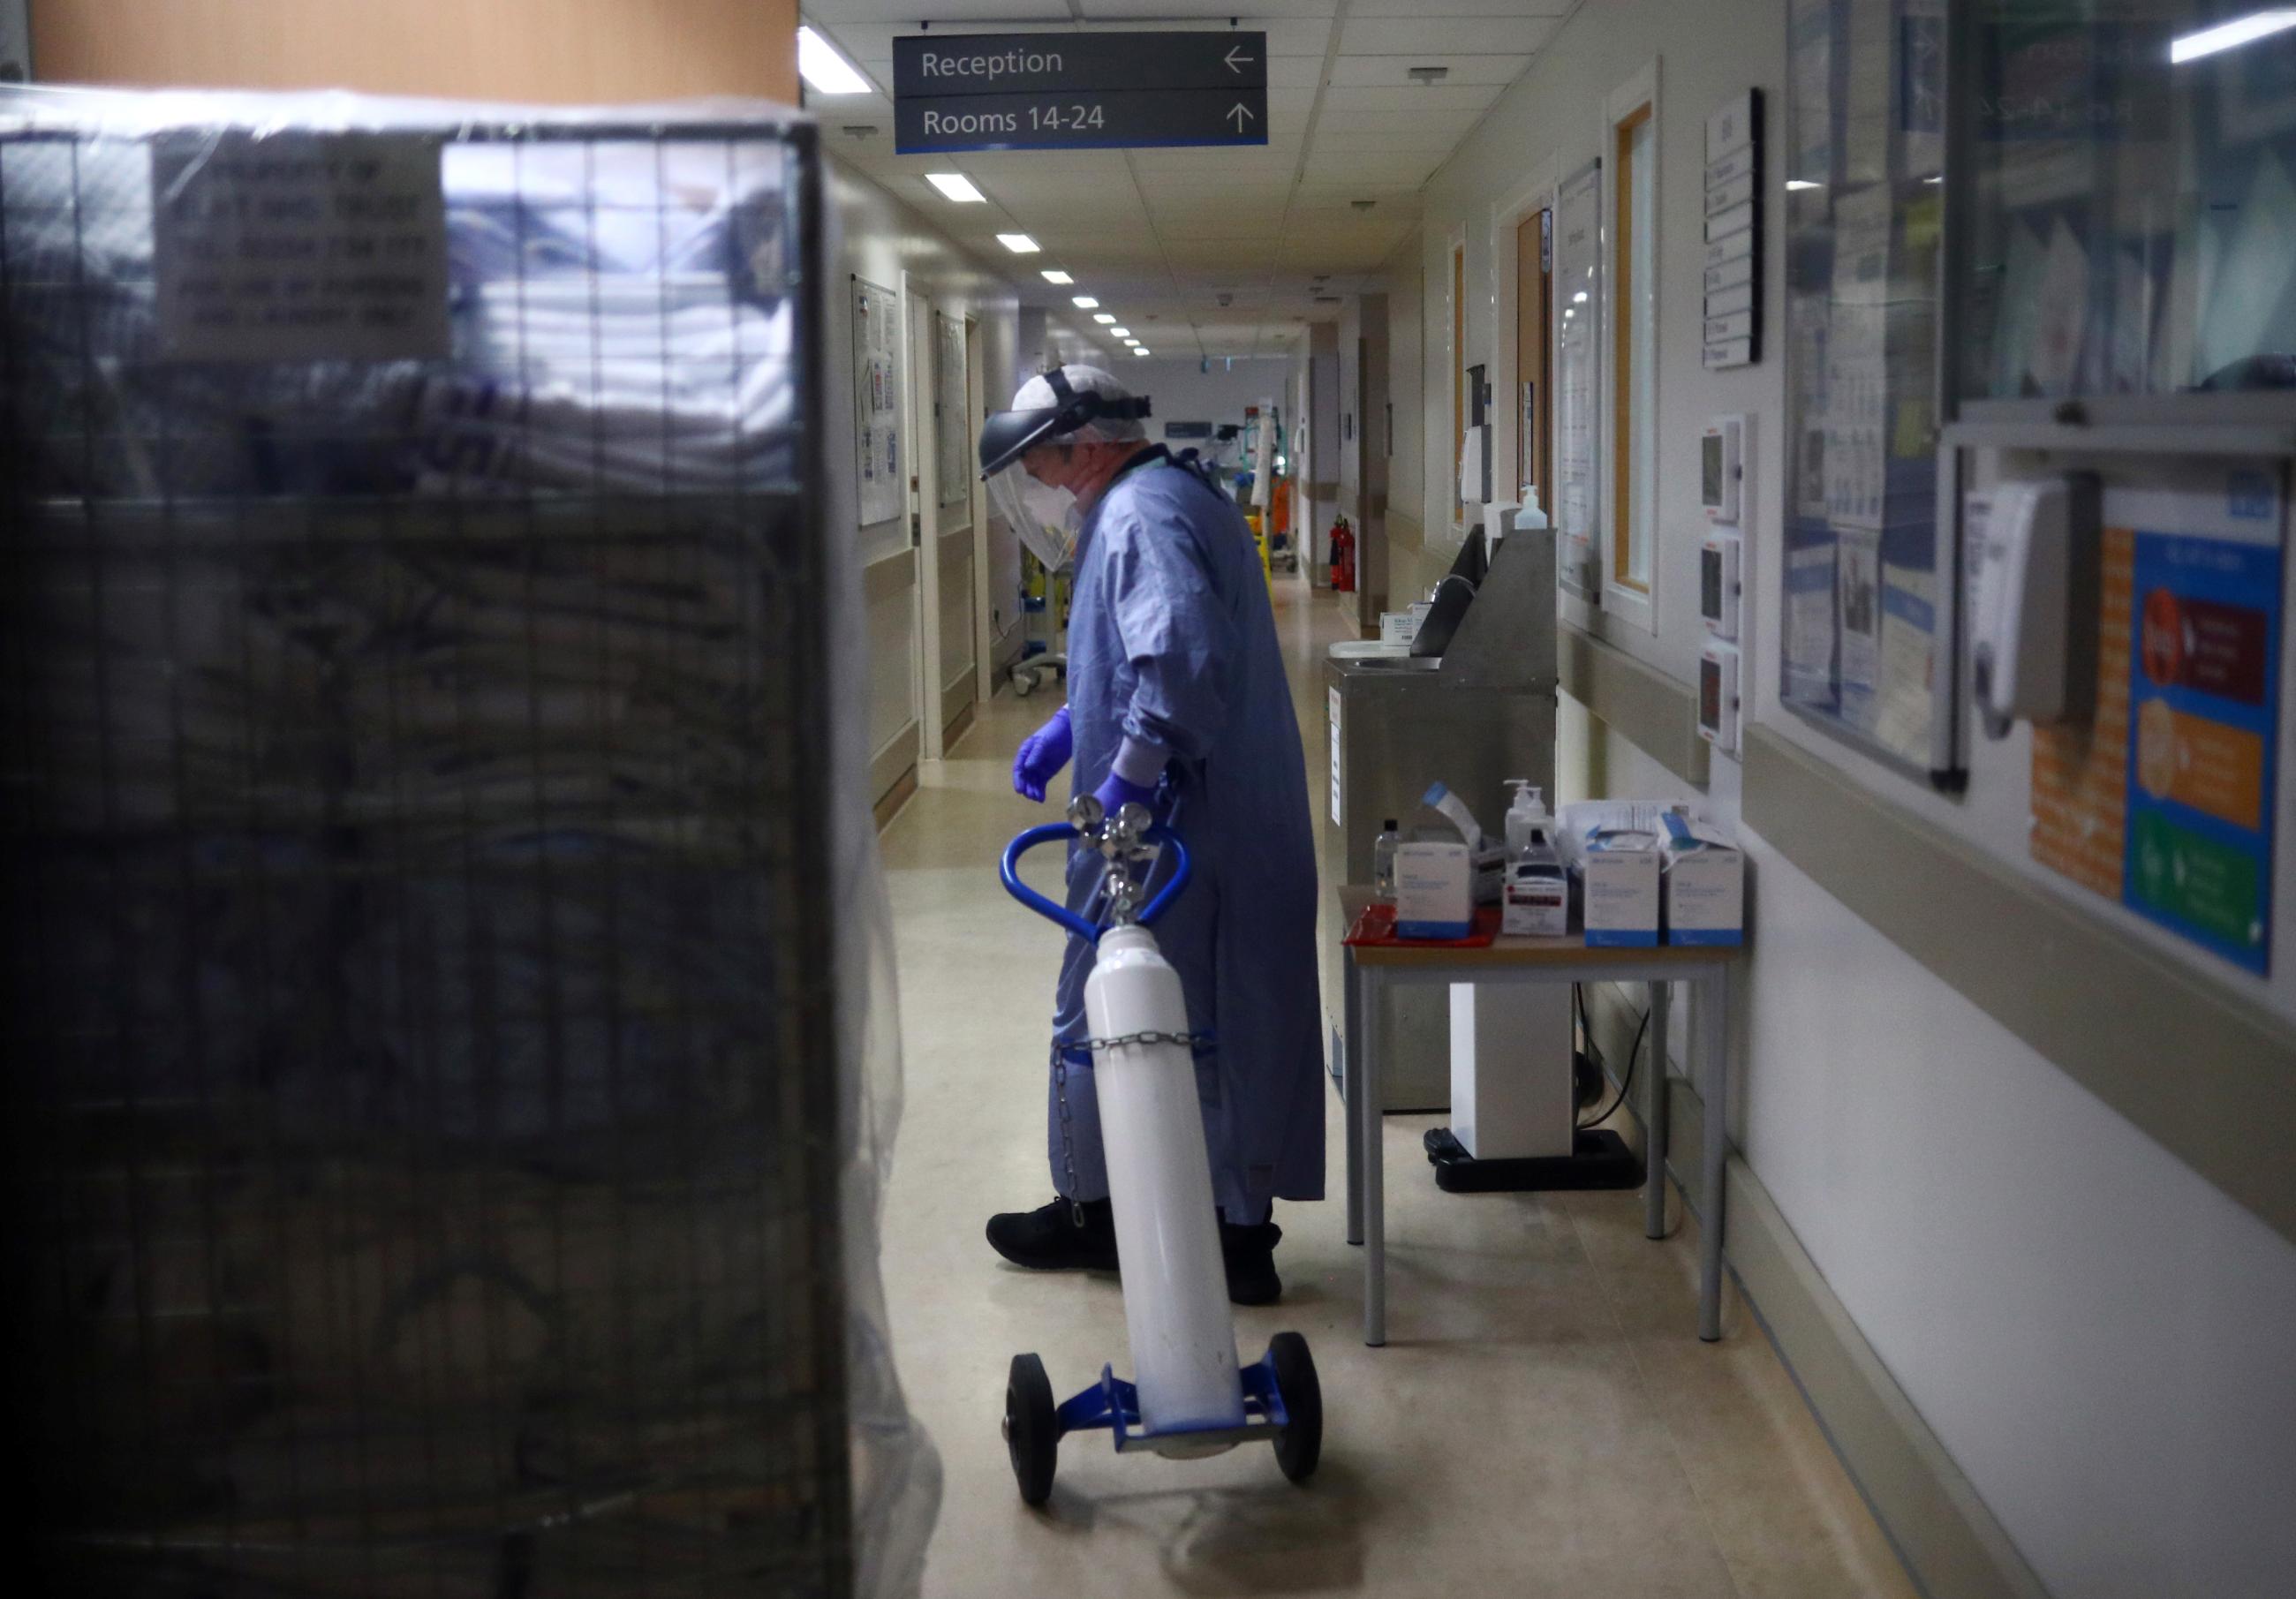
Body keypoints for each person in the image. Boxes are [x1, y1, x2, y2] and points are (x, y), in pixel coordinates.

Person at [979, 366, 1324, 1305]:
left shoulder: (1135, 514)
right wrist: (1072, 721)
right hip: (1230, 818)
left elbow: (1176, 666)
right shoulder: (1178, 493)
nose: (1042, 486)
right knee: (1229, 1020)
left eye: (1042, 464)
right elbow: (1157, 652)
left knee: (1111, 1016)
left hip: (1169, 826)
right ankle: (1236, 1233)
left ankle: (1100, 1211)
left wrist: (1125, 777)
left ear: (1081, 444)